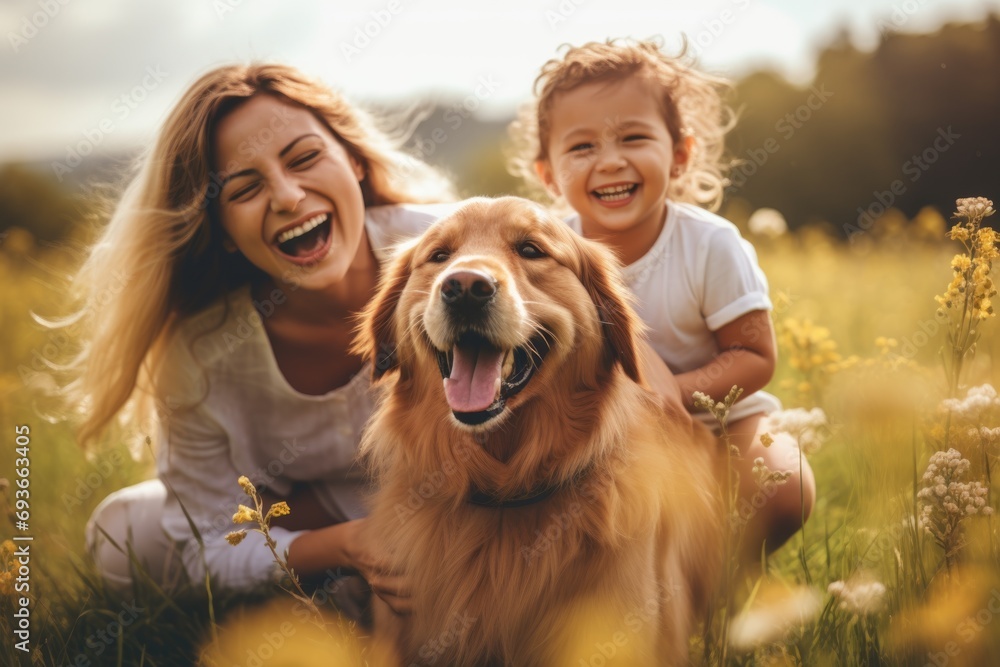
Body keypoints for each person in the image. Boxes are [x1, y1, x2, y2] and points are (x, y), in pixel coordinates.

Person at [70, 63, 457, 615]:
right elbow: (205, 541)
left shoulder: (449, 249)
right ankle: (329, 586)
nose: (288, 196)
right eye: (245, 189)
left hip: (465, 498)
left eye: (304, 158)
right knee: (128, 533)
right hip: (319, 520)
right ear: (222, 231)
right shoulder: (201, 352)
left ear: (353, 160)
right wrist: (345, 543)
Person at [509, 38, 816, 559]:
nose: (609, 162)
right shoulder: (545, 254)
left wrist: (676, 391)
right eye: (582, 147)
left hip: (721, 420)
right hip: (599, 430)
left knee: (782, 490)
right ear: (548, 175)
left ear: (679, 155)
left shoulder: (709, 244)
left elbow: (755, 356)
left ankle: (725, 588)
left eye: (633, 137)